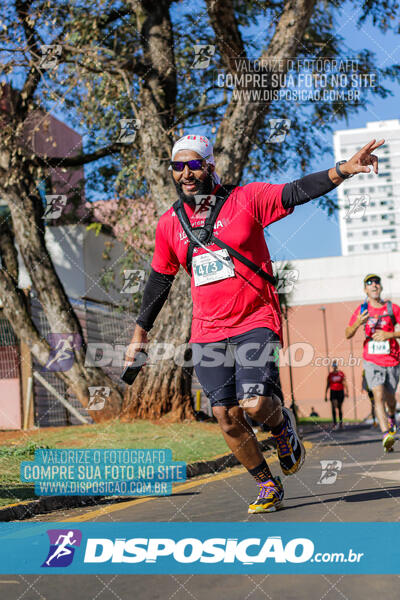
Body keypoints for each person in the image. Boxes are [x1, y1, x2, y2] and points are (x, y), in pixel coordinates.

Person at [126, 134, 384, 513]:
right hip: (207, 330)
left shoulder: (246, 199)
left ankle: (282, 428)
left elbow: (295, 191)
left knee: (254, 402)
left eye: (193, 164)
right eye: (178, 166)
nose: (185, 173)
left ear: (210, 166)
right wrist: (139, 333)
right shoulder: (169, 224)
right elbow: (159, 280)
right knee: (225, 416)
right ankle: (267, 483)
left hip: (254, 319)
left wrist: (343, 169)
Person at [346, 274, 400, 452]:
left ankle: (392, 416)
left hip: (392, 359)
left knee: (391, 399)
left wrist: (389, 335)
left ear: (381, 287)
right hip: (371, 359)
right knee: (378, 395)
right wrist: (357, 324)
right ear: (365, 289)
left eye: (377, 282)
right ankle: (386, 434)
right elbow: (347, 333)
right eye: (369, 283)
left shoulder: (392, 308)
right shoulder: (362, 310)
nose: (374, 285)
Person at [324, 361, 348, 429]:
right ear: (332, 366)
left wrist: (347, 391)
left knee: (339, 407)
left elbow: (344, 382)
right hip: (333, 391)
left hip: (340, 391)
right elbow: (328, 384)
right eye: (333, 365)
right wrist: (325, 394)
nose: (335, 367)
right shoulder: (330, 375)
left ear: (337, 366)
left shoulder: (341, 373)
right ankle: (334, 423)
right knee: (334, 407)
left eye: (335, 365)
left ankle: (340, 423)